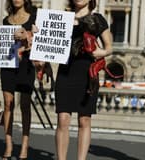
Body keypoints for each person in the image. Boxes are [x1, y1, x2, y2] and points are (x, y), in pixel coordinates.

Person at [55, 0, 112, 159]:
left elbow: (109, 47)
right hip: (65, 72)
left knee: (84, 120)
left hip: (87, 73)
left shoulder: (97, 19)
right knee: (62, 119)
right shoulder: (62, 18)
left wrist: (99, 52)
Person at [0, 0, 37, 159]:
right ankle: (8, 145)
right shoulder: (5, 21)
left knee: (24, 105)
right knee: (8, 104)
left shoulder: (33, 18)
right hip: (8, 66)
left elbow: (40, 44)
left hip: (26, 66)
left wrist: (27, 37)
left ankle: (24, 146)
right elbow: (1, 45)